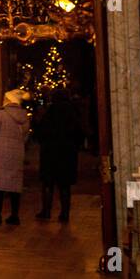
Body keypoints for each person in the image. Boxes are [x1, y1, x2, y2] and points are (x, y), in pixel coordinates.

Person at [34, 88, 84, 222]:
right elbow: (79, 133)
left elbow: (41, 132)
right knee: (65, 185)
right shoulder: (72, 112)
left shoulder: (50, 112)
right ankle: (65, 213)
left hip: (50, 152)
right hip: (67, 153)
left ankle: (46, 211)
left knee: (48, 184)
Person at [0, 88, 30, 226]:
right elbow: (26, 135)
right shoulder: (24, 116)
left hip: (1, 153)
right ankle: (15, 215)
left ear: (8, 100)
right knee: (15, 185)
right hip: (17, 152)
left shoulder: (1, 114)